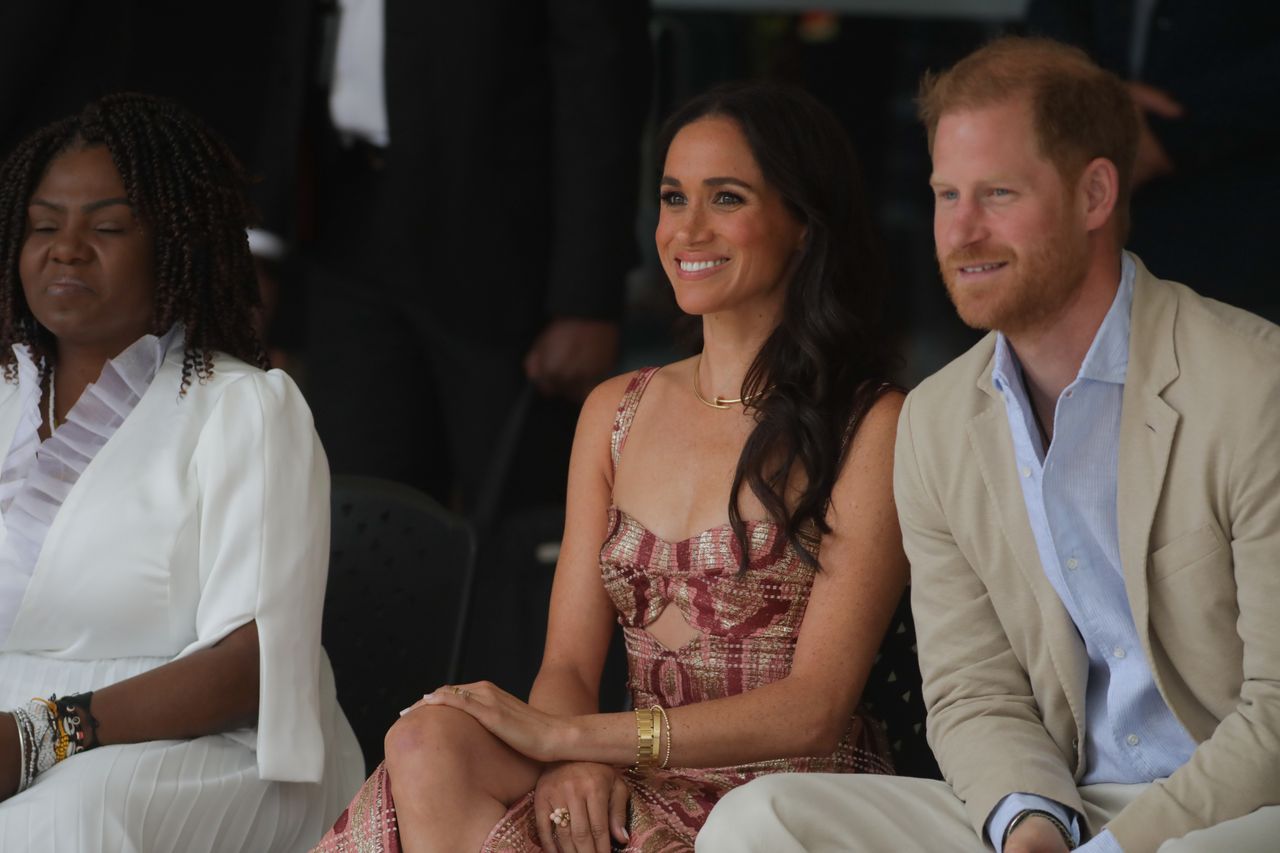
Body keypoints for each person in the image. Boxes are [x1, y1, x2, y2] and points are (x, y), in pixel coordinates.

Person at [696, 36, 1280, 853]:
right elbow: (975, 691)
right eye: (945, 194)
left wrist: (1118, 848)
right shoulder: (935, 420)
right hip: (1069, 804)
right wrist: (1030, 828)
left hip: (1237, 811)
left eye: (998, 193)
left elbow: (1277, 716)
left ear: (1095, 194)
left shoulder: (1254, 383)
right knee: (760, 821)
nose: (961, 230)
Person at [313, 81, 909, 853]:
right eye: (671, 196)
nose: (686, 229)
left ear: (803, 224)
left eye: (726, 198)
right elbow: (565, 658)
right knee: (429, 742)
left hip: (784, 797)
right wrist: (569, 759)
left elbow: (816, 707)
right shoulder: (614, 412)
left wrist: (582, 739)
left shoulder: (872, 420)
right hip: (628, 766)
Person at [0, 93, 364, 851]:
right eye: (43, 225)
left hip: (208, 750)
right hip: (16, 730)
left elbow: (252, 663)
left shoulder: (245, 407)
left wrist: (41, 734)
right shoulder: (3, 396)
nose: (66, 247)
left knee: (57, 823)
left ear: (176, 244)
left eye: (105, 227)